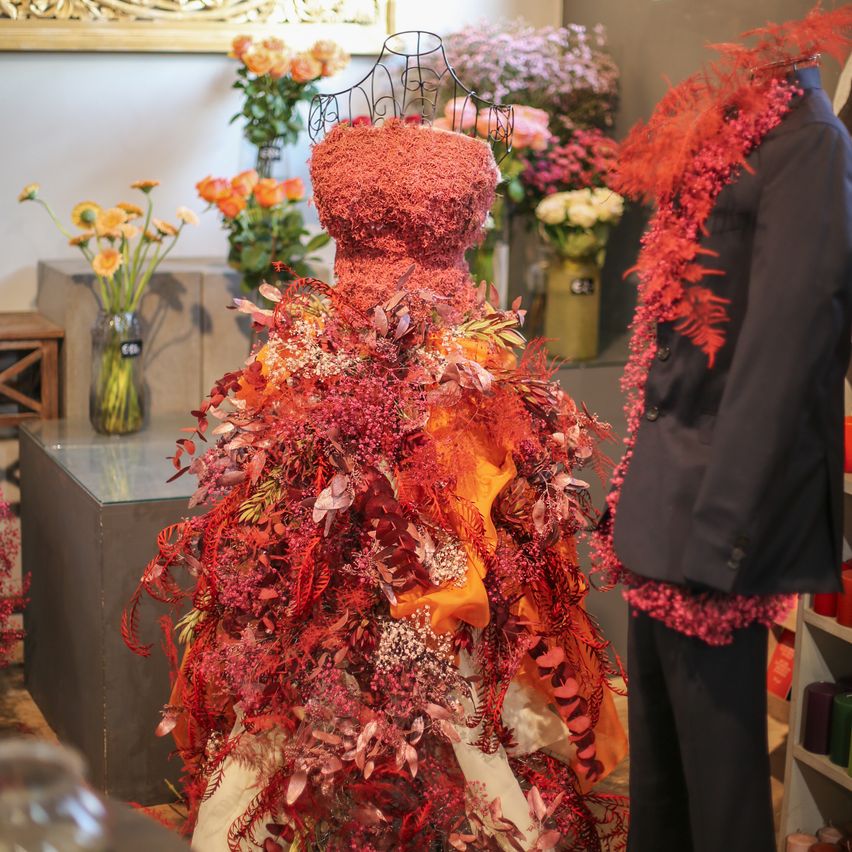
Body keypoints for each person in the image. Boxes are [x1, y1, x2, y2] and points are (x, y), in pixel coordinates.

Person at [127, 33, 628, 851]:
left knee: (444, 568)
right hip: (344, 366)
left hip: (446, 379)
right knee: (315, 589)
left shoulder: (413, 122)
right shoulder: (364, 116)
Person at [594, 9, 852, 852]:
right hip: (664, 498)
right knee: (660, 784)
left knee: (722, 787)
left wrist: (725, 532)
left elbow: (787, 349)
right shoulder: (728, 130)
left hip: (716, 512)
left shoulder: (808, 141)